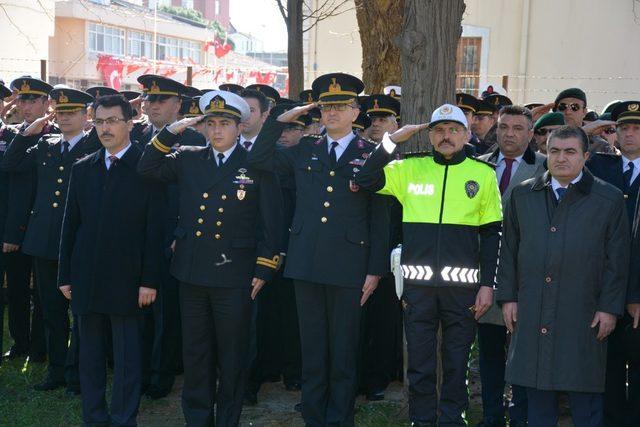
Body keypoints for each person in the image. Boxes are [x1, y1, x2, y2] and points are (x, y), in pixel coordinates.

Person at [248, 72, 389, 426]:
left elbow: (379, 218)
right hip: (306, 262)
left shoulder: (371, 154)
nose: (333, 113)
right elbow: (259, 160)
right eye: (326, 107)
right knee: (312, 348)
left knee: (343, 350)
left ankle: (340, 418)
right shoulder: (305, 149)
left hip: (349, 264)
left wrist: (375, 269)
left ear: (356, 112)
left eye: (341, 106)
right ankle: (313, 415)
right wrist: (280, 118)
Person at [138, 89, 282, 426]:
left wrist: (265, 266)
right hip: (192, 271)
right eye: (211, 124)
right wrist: (171, 130)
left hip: (236, 274)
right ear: (203, 128)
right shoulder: (188, 157)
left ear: (238, 127)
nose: (217, 130)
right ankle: (198, 418)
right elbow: (147, 167)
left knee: (232, 354)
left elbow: (271, 221)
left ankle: (228, 418)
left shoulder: (255, 162)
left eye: (225, 124)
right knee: (196, 352)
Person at [355, 104, 502, 426]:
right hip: (417, 290)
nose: (445, 136)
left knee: (456, 363)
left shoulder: (482, 174)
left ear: (466, 134)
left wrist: (488, 286)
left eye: (453, 130)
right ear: (429, 135)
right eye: (438, 130)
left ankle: (452, 420)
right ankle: (421, 421)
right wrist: (393, 141)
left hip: (462, 292)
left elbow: (492, 234)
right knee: (420, 366)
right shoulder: (408, 167)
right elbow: (364, 178)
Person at [497, 126, 629, 426]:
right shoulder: (522, 195)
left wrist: (609, 307)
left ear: (585, 156)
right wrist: (508, 298)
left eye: (570, 152)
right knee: (536, 395)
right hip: (532, 308)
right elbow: (508, 252)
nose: (561, 158)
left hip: (584, 311)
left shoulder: (608, 199)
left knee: (585, 398)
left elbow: (617, 260)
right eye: (555, 151)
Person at [58, 94, 164, 426]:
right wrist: (64, 275)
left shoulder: (146, 167)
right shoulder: (84, 167)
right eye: (100, 122)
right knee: (89, 356)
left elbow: (155, 231)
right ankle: (94, 417)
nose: (105, 129)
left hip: (129, 280)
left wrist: (149, 280)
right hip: (87, 278)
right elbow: (70, 226)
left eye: (113, 121)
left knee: (127, 358)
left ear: (130, 123)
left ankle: (123, 418)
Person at [2, 87, 100, 393]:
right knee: (51, 311)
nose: (65, 118)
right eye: (60, 113)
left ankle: (78, 373)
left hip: (79, 241)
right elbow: (10, 163)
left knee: (82, 313)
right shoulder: (45, 144)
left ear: (86, 115)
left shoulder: (96, 143)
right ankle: (56, 372)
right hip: (44, 240)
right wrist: (28, 131)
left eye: (71, 113)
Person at [476, 105, 546, 427]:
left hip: (526, 278)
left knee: (523, 355)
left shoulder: (546, 168)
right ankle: (491, 416)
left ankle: (520, 417)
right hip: (486, 276)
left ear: (531, 134)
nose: (509, 134)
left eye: (518, 128)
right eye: (504, 127)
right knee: (489, 354)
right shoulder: (477, 166)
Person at [586, 101, 640, 426]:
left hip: (636, 289)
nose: (630, 134)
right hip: (602, 286)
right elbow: (567, 144)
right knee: (608, 366)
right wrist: (596, 125)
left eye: (636, 128)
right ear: (614, 133)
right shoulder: (601, 166)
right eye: (623, 128)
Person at [3, 77, 58, 368]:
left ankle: (40, 346)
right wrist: (12, 231)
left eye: (33, 100)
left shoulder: (58, 134)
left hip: (46, 227)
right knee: (18, 290)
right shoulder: (12, 135)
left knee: (45, 292)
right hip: (17, 226)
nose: (26, 106)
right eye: (22, 100)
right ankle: (20, 342)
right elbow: (11, 187)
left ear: (46, 103)